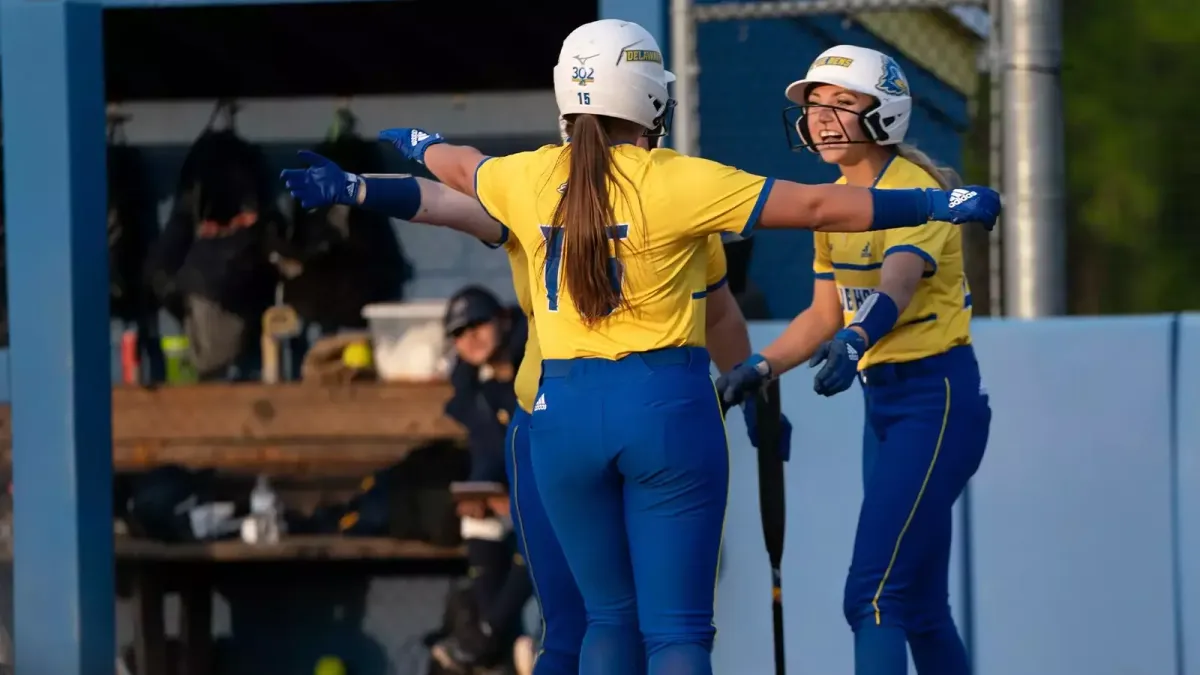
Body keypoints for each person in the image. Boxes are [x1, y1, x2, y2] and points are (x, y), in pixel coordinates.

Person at [287, 19, 999, 675]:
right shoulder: (680, 181)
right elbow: (813, 209)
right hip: (663, 403)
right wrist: (942, 202)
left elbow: (453, 179)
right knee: (678, 633)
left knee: (596, 623)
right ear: (652, 100)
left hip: (558, 409)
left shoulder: (532, 175)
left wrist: (379, 168)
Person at [283, 126, 791, 675]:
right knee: (602, 629)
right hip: (600, 422)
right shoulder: (568, 189)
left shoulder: (636, 191)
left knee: (611, 627)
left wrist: (362, 185)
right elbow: (442, 203)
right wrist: (359, 187)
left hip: (567, 423)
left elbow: (718, 314)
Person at [715, 45, 992, 675]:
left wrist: (858, 340)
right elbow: (823, 314)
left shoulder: (917, 190)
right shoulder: (836, 200)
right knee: (918, 604)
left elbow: (896, 283)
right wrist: (759, 368)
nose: (821, 117)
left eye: (842, 103)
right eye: (814, 105)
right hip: (886, 405)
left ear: (885, 114)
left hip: (936, 398)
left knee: (872, 596)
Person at [438, 284, 534, 672]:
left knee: (537, 529)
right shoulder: (479, 388)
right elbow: (488, 454)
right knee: (476, 520)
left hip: (559, 495)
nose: (470, 337)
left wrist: (510, 500)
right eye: (459, 332)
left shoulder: (538, 364)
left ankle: (487, 637)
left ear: (503, 320)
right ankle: (497, 640)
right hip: (514, 496)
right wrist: (479, 492)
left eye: (478, 323)